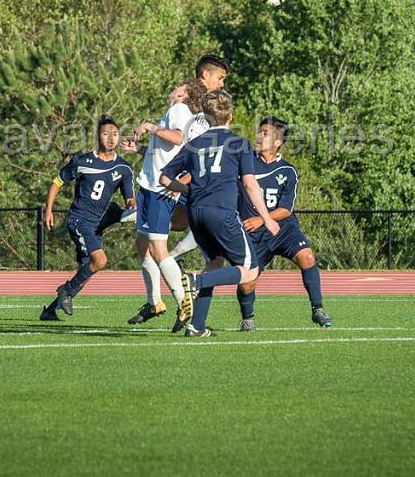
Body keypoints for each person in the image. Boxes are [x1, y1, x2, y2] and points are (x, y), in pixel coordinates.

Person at [159, 90, 280, 337]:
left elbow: (164, 178)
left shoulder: (193, 145)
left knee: (214, 264)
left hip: (196, 213)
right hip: (222, 213)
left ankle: (197, 326)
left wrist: (187, 189)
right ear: (230, 115)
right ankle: (195, 282)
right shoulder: (239, 143)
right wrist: (267, 218)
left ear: (205, 117)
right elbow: (249, 184)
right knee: (250, 270)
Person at [121, 54, 228, 329]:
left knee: (158, 248)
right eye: (220, 77)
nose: (222, 83)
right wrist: (142, 149)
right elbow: (171, 148)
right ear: (204, 77)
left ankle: (184, 302)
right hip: (152, 182)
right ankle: (155, 301)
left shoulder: (184, 110)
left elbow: (179, 139)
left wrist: (149, 126)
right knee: (142, 245)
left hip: (160, 186)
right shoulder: (183, 108)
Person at [233, 117, 333, 331]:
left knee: (307, 256)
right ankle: (248, 318)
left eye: (265, 133)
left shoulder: (287, 170)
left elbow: (286, 209)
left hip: (282, 228)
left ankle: (318, 309)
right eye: (259, 132)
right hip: (254, 234)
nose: (259, 136)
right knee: (247, 282)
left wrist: (262, 219)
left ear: (278, 142)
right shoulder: (245, 161)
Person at [40, 116, 135, 321]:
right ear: (97, 136)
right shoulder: (82, 161)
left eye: (115, 134)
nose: (111, 138)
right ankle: (65, 291)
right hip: (79, 220)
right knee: (100, 260)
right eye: (105, 133)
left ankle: (50, 310)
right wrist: (48, 210)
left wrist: (135, 208)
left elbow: (130, 200)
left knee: (86, 272)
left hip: (96, 227)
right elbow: (56, 182)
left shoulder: (124, 168)